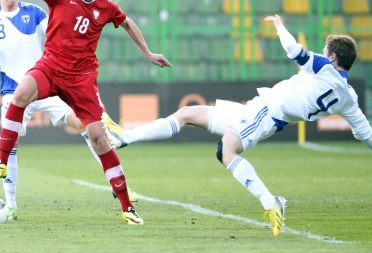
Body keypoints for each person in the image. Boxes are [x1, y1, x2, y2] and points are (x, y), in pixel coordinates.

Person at [106, 14, 372, 235]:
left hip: (266, 114)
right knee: (186, 114)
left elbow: (294, 51)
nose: (323, 54)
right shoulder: (349, 98)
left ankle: (271, 202)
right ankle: (125, 136)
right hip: (257, 110)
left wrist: (279, 25)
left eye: (326, 51)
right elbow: (364, 133)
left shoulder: (325, 68)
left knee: (226, 151)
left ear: (333, 57)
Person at [0, 0, 171, 225]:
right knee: (20, 93)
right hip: (50, 67)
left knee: (98, 138)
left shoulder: (106, 7)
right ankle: (1, 161)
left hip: (81, 79)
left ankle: (127, 207)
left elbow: (128, 23)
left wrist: (148, 52)